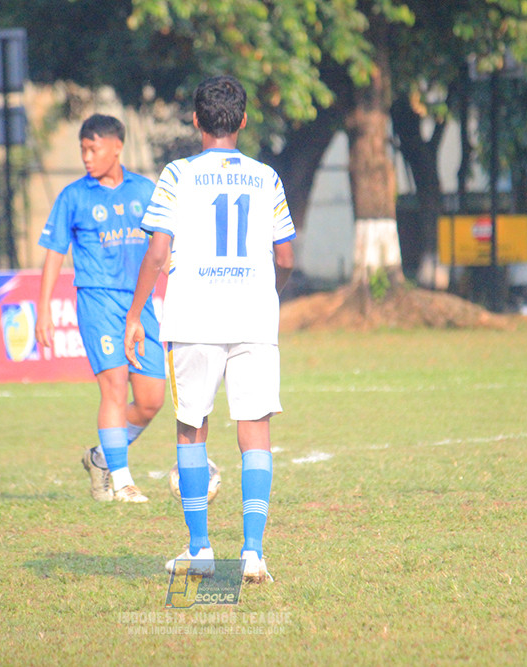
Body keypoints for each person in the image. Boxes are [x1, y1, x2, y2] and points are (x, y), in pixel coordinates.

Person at [124, 75, 295, 583]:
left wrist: (135, 314)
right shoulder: (267, 178)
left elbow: (157, 252)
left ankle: (200, 548)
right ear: (242, 121)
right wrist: (271, 290)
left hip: (194, 315)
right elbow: (285, 255)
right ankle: (253, 554)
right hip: (254, 316)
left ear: (196, 120)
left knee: (191, 426)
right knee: (255, 429)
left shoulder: (177, 175)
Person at [36, 114, 165, 503]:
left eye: (94, 149)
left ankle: (100, 457)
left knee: (150, 401)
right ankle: (123, 481)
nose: (87, 157)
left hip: (139, 305)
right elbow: (55, 253)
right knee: (113, 388)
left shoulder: (145, 191)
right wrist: (43, 309)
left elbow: (164, 251)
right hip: (98, 300)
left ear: (116, 147)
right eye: (83, 149)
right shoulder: (74, 197)